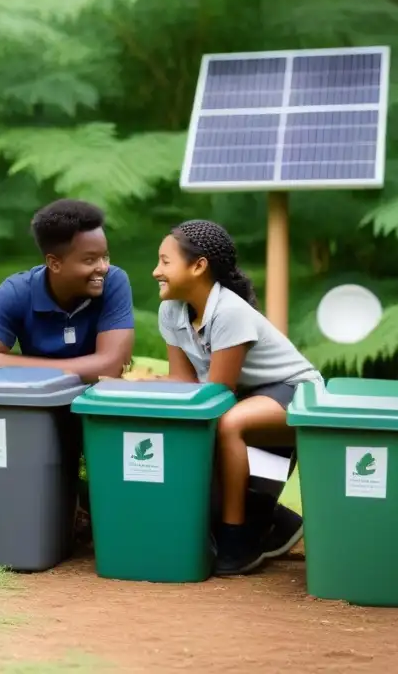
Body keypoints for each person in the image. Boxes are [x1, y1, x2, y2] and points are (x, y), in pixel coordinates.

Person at [153, 219, 320, 576]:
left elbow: (217, 395)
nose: (156, 271)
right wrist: (136, 387)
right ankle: (278, 522)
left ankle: (236, 541)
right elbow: (183, 383)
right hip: (248, 398)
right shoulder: (171, 311)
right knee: (208, 484)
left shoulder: (229, 311)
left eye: (165, 262)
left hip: (294, 393)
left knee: (228, 423)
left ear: (198, 266)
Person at [0, 198, 134, 380]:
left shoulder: (113, 282)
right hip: (38, 400)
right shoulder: (17, 292)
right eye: (90, 260)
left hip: (96, 403)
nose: (103, 267)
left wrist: (23, 366)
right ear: (54, 263)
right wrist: (85, 367)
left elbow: (112, 367)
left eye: (105, 257)